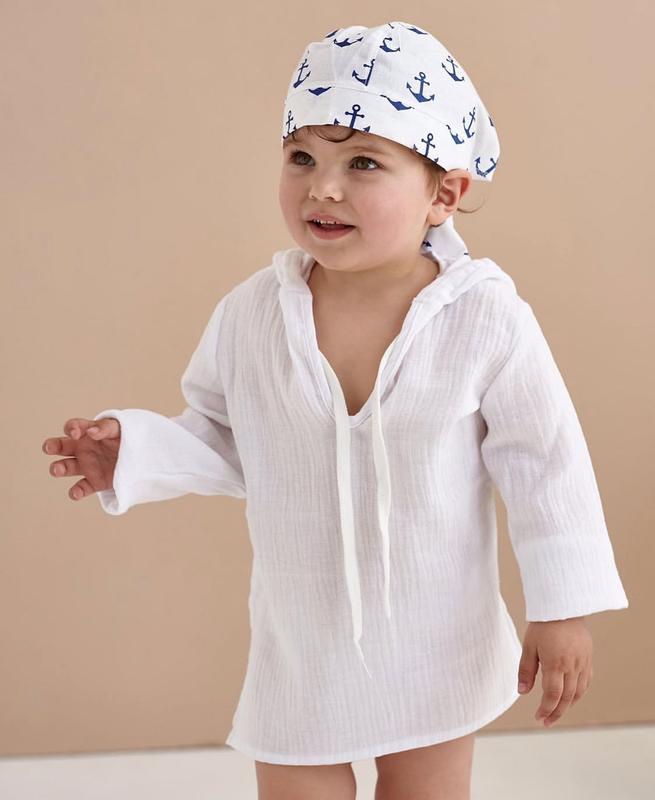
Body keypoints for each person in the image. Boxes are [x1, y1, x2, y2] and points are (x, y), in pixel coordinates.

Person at [41, 21, 629, 800]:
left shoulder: (483, 318)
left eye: (363, 163)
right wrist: (137, 451)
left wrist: (561, 610)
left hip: (435, 641)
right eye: (301, 158)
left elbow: (544, 465)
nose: (321, 187)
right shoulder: (253, 315)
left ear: (444, 195)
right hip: (302, 648)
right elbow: (223, 437)